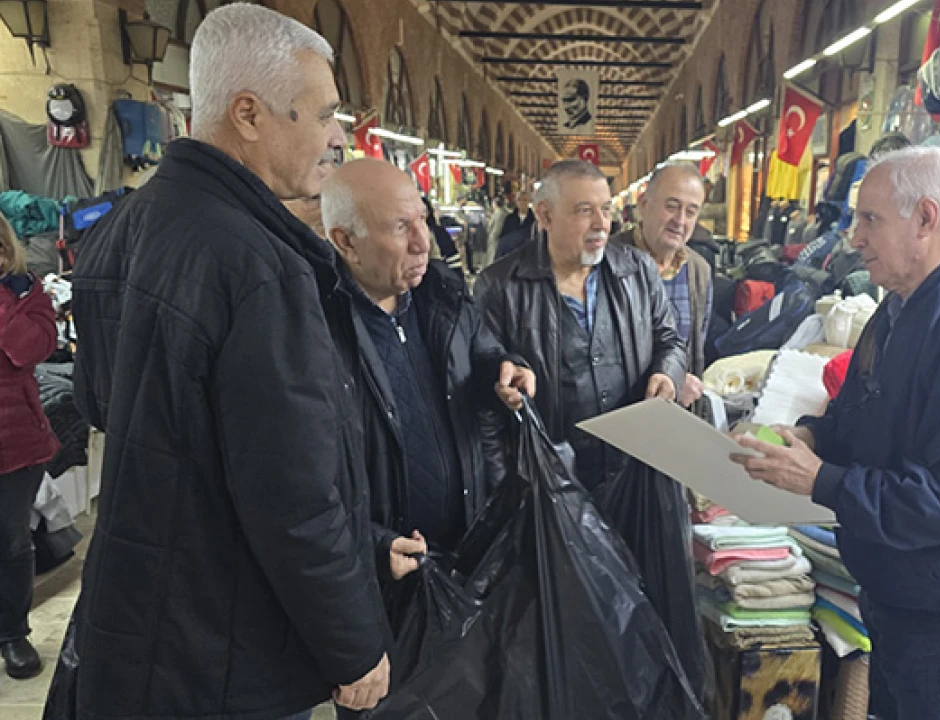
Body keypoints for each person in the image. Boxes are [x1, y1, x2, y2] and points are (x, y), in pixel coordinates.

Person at [70, 5, 389, 715]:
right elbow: (293, 496)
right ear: (248, 114)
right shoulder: (257, 266)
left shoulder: (122, 227)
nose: (338, 137)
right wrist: (354, 643)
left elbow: (105, 407)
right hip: (228, 647)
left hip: (138, 623)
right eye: (324, 114)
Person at [732, 147, 940, 720]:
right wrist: (813, 440)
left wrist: (822, 481)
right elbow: (863, 418)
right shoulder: (902, 308)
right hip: (901, 586)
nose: (854, 237)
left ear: (925, 218)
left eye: (870, 219)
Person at [474, 159, 706, 697]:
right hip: (554, 489)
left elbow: (669, 339)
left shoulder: (635, 271)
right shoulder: (500, 286)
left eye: (606, 209)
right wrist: (503, 377)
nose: (601, 223)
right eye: (584, 211)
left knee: (644, 612)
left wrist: (666, 375)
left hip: (635, 473)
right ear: (543, 215)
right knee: (570, 629)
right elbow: (483, 377)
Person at [319, 157, 535, 565]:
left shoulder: (443, 293)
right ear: (346, 241)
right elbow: (309, 477)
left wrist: (504, 369)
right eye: (401, 227)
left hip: (468, 546)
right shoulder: (317, 329)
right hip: (390, 567)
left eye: (422, 218)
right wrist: (372, 543)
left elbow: (482, 351)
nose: (424, 242)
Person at [0, 215, 59, 681]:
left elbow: (31, 349)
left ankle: (12, 634)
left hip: (15, 444)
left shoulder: (26, 291)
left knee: (11, 541)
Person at [611, 162, 712, 408]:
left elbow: (694, 353)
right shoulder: (608, 261)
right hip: (616, 414)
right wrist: (671, 380)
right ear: (644, 205)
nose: (680, 220)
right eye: (672, 206)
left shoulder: (699, 271)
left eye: (691, 212)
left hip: (672, 414)